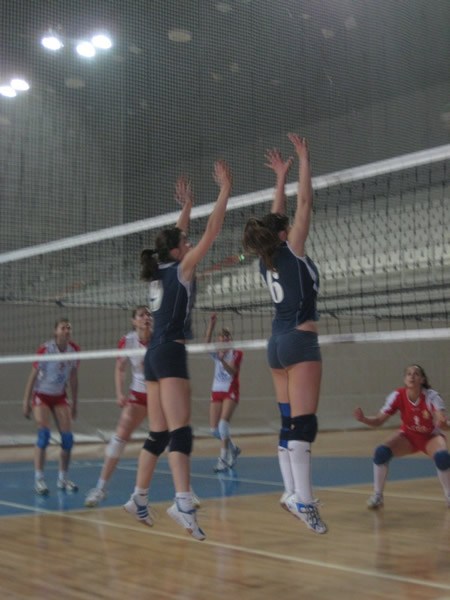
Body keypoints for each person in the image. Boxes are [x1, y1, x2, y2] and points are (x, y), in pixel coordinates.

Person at [123, 161, 232, 541]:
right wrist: (224, 190)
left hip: (153, 355)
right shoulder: (182, 268)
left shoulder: (158, 271)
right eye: (184, 243)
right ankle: (182, 502)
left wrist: (186, 205)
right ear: (176, 251)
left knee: (158, 433)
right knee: (180, 431)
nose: (188, 244)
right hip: (169, 353)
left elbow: (176, 235)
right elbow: (212, 231)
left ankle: (138, 497)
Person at [243, 136, 327, 534]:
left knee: (288, 421)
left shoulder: (267, 258)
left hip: (276, 345)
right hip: (299, 341)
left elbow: (277, 217)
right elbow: (305, 202)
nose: (292, 224)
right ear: (284, 234)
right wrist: (305, 160)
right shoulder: (292, 248)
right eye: (287, 226)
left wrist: (280, 177)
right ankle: (304, 502)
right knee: (303, 427)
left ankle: (291, 492)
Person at [354, 364, 450, 509]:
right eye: (408, 374)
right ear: (405, 379)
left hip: (430, 437)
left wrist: (443, 424)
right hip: (408, 436)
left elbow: (442, 422)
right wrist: (364, 419)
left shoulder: (432, 397)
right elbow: (379, 420)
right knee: (381, 452)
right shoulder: (397, 395)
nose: (412, 376)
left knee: (443, 457)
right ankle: (377, 496)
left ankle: (448, 495)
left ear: (422, 380)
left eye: (416, 374)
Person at [84, 306, 153, 507]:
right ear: (134, 321)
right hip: (138, 395)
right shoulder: (128, 341)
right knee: (119, 439)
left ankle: (185, 492)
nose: (146, 317)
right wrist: (120, 393)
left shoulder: (160, 338)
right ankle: (100, 488)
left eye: (148, 314)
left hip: (159, 394)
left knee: (173, 437)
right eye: (141, 315)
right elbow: (120, 368)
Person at [22, 318, 80, 495]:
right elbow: (32, 376)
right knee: (44, 435)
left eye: (69, 328)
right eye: (63, 328)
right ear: (56, 331)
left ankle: (63, 478)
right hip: (42, 395)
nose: (66, 331)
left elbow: (73, 378)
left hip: (60, 396)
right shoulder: (46, 349)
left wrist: (75, 403)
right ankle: (39, 479)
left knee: (68, 439)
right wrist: (26, 402)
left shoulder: (74, 350)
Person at [205, 312, 243, 472]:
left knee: (223, 424)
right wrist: (211, 324)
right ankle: (234, 448)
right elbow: (206, 344)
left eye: (228, 337)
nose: (225, 339)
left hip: (230, 390)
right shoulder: (216, 352)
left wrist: (222, 360)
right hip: (216, 390)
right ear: (219, 340)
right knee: (214, 430)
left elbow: (233, 372)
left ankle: (223, 459)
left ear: (230, 339)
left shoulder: (237, 353)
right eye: (222, 337)